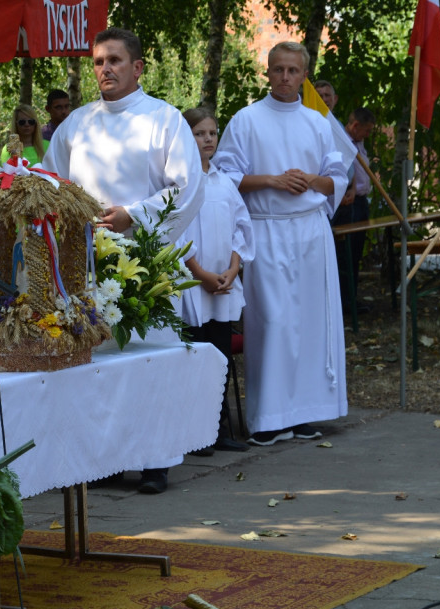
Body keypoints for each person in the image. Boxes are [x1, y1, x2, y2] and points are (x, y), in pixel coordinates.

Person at [42, 27, 204, 494]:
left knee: (147, 362)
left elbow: (187, 189)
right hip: (87, 262)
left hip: (143, 260)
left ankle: (155, 460)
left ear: (137, 67)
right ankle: (104, 459)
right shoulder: (76, 124)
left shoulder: (164, 119)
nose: (104, 69)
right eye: (97, 62)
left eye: (114, 60)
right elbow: (52, 184)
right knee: (98, 366)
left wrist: (133, 215)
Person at [211, 41, 349, 447]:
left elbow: (336, 179)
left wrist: (311, 179)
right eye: (278, 70)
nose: (285, 78)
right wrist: (272, 180)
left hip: (309, 230)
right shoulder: (247, 120)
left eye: (293, 70)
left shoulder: (318, 123)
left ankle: (307, 412)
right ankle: (269, 416)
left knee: (309, 323)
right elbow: (224, 175)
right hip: (267, 229)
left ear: (304, 74)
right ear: (267, 73)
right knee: (272, 322)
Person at [175, 108, 254, 453]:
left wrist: (234, 268)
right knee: (197, 359)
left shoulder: (224, 182)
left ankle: (219, 428)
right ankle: (196, 433)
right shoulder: (182, 184)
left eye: (212, 133)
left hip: (223, 285)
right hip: (196, 287)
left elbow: (241, 227)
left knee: (221, 357)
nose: (207, 139)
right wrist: (200, 273)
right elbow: (177, 234)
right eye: (199, 133)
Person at [331, 107, 376, 313]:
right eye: (366, 130)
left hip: (360, 203)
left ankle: (351, 298)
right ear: (355, 125)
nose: (367, 135)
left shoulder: (359, 143)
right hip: (347, 205)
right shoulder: (341, 142)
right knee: (345, 255)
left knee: (355, 253)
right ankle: (343, 303)